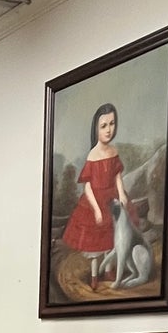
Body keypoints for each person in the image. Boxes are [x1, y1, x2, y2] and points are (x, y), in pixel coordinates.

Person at [60, 102, 133, 286]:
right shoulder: (93, 155)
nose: (109, 130)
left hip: (112, 198)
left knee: (111, 237)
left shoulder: (113, 151)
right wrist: (96, 210)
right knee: (96, 243)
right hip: (96, 201)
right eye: (104, 126)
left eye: (112, 123)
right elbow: (87, 187)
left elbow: (117, 174)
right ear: (96, 129)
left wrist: (122, 194)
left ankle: (108, 271)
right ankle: (94, 275)